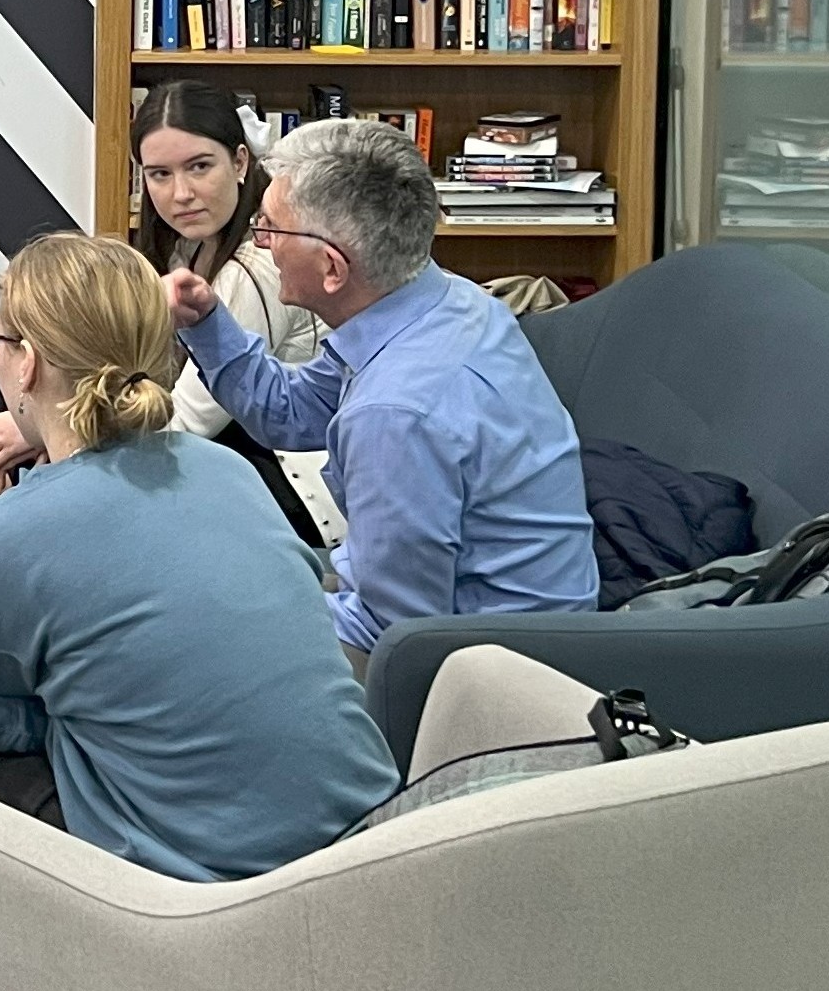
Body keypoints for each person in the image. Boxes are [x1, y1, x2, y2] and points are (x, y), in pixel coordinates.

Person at [0, 232, 397, 881]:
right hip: (370, 848)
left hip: (209, 892)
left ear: (26, 364)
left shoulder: (11, 534)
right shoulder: (224, 470)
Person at [167, 118, 597, 665]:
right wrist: (209, 322)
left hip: (490, 667)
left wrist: (225, 613)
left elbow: (395, 633)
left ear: (332, 267)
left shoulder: (396, 413)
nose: (261, 242)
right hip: (486, 623)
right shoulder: (447, 301)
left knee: (184, 640)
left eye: (271, 227)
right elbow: (292, 412)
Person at [0, 83, 323, 539]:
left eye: (199, 166)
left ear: (240, 162)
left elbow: (187, 421)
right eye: (160, 174)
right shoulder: (187, 250)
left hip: (286, 490)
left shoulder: (256, 269)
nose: (182, 193)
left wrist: (43, 426)